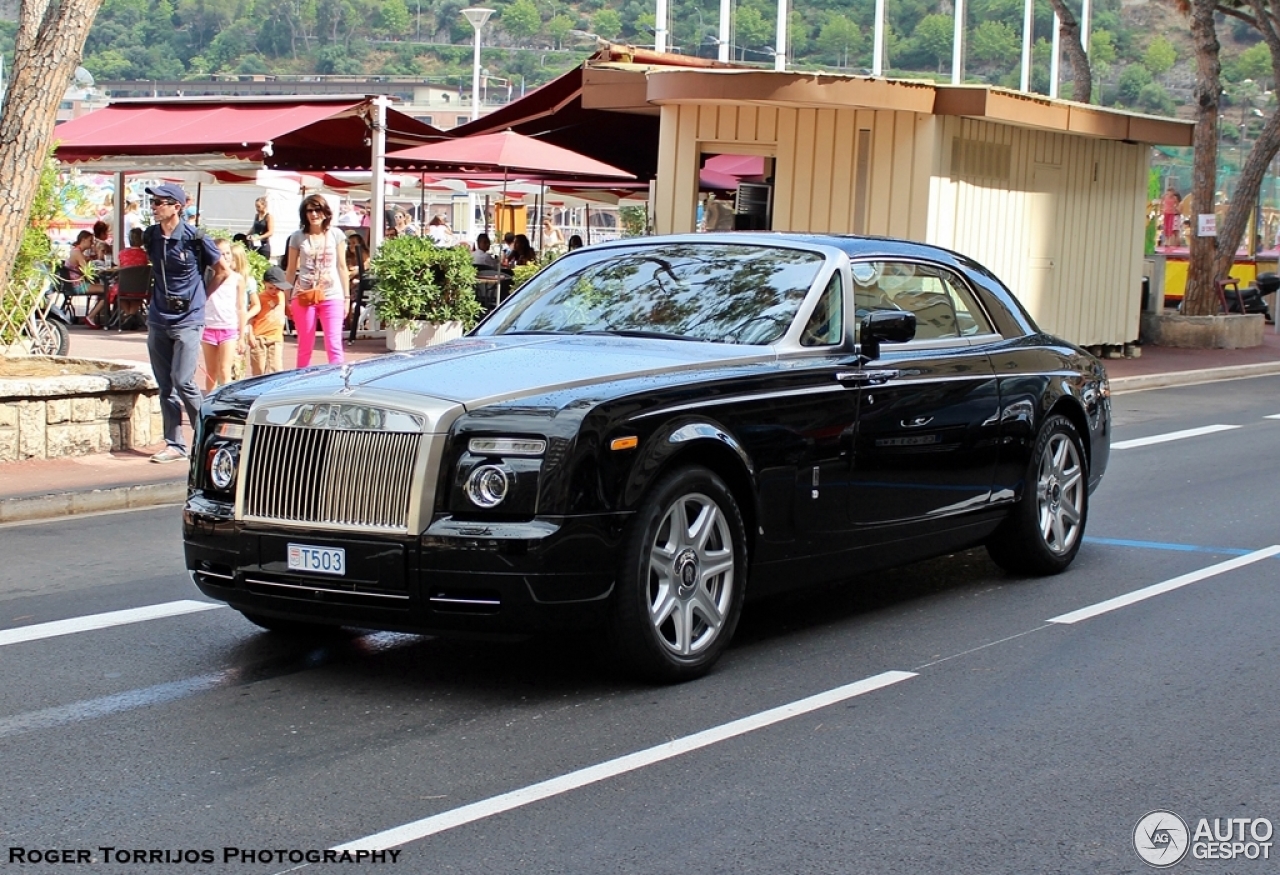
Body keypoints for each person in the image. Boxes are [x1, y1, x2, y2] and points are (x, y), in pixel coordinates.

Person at [142, 183, 225, 464]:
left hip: (188, 319)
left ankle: (205, 439)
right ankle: (174, 444)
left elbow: (222, 271)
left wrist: (200, 296)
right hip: (159, 317)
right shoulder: (151, 236)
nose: (154, 207)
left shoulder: (195, 238)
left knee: (183, 380)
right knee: (165, 385)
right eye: (153, 203)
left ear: (176, 207)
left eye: (160, 203)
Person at [285, 194, 349, 367]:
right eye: (309, 211)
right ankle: (300, 382)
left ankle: (337, 383)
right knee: (305, 345)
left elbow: (342, 267)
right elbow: (290, 270)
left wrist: (347, 298)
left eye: (317, 210)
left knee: (334, 343)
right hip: (304, 293)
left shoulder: (336, 234)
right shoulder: (298, 237)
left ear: (325, 212)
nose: (313, 214)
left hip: (332, 293)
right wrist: (286, 298)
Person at [200, 238, 249, 390]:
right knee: (212, 372)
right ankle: (209, 405)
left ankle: (224, 405)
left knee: (225, 370)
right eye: (221, 253)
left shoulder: (237, 279)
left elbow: (241, 307)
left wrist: (241, 336)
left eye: (228, 253)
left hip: (228, 328)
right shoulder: (207, 277)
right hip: (209, 327)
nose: (226, 256)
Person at [248, 266, 290, 375]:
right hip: (259, 337)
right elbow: (251, 318)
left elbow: (286, 311)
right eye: (270, 288)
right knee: (259, 369)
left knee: (276, 368)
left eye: (277, 288)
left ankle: (274, 390)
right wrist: (250, 335)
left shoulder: (281, 295)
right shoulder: (260, 298)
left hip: (276, 338)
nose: (274, 291)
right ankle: (257, 389)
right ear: (264, 283)